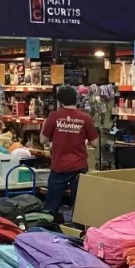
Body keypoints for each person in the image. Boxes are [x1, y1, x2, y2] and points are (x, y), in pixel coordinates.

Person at [40, 85, 98, 215]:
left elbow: (43, 140)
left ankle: (46, 230)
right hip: (79, 167)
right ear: (76, 99)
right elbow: (95, 143)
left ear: (59, 101)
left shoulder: (54, 116)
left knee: (51, 205)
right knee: (80, 205)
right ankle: (79, 231)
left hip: (59, 166)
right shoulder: (85, 118)